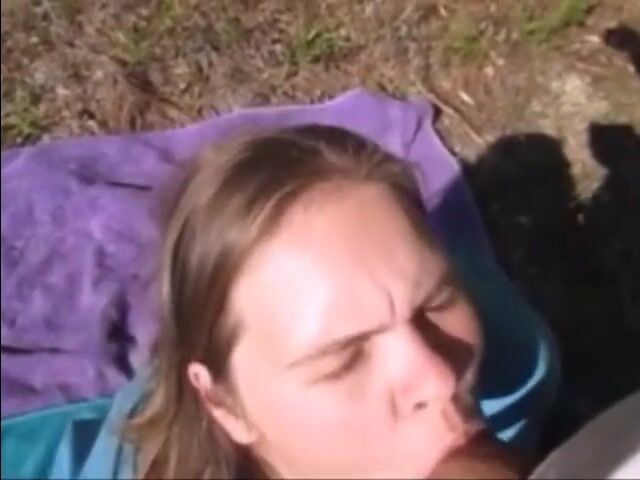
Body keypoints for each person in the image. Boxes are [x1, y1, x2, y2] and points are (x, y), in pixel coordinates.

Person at [0, 124, 559, 479]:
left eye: (435, 300)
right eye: (343, 359)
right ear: (225, 406)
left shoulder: (513, 363)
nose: (438, 377)